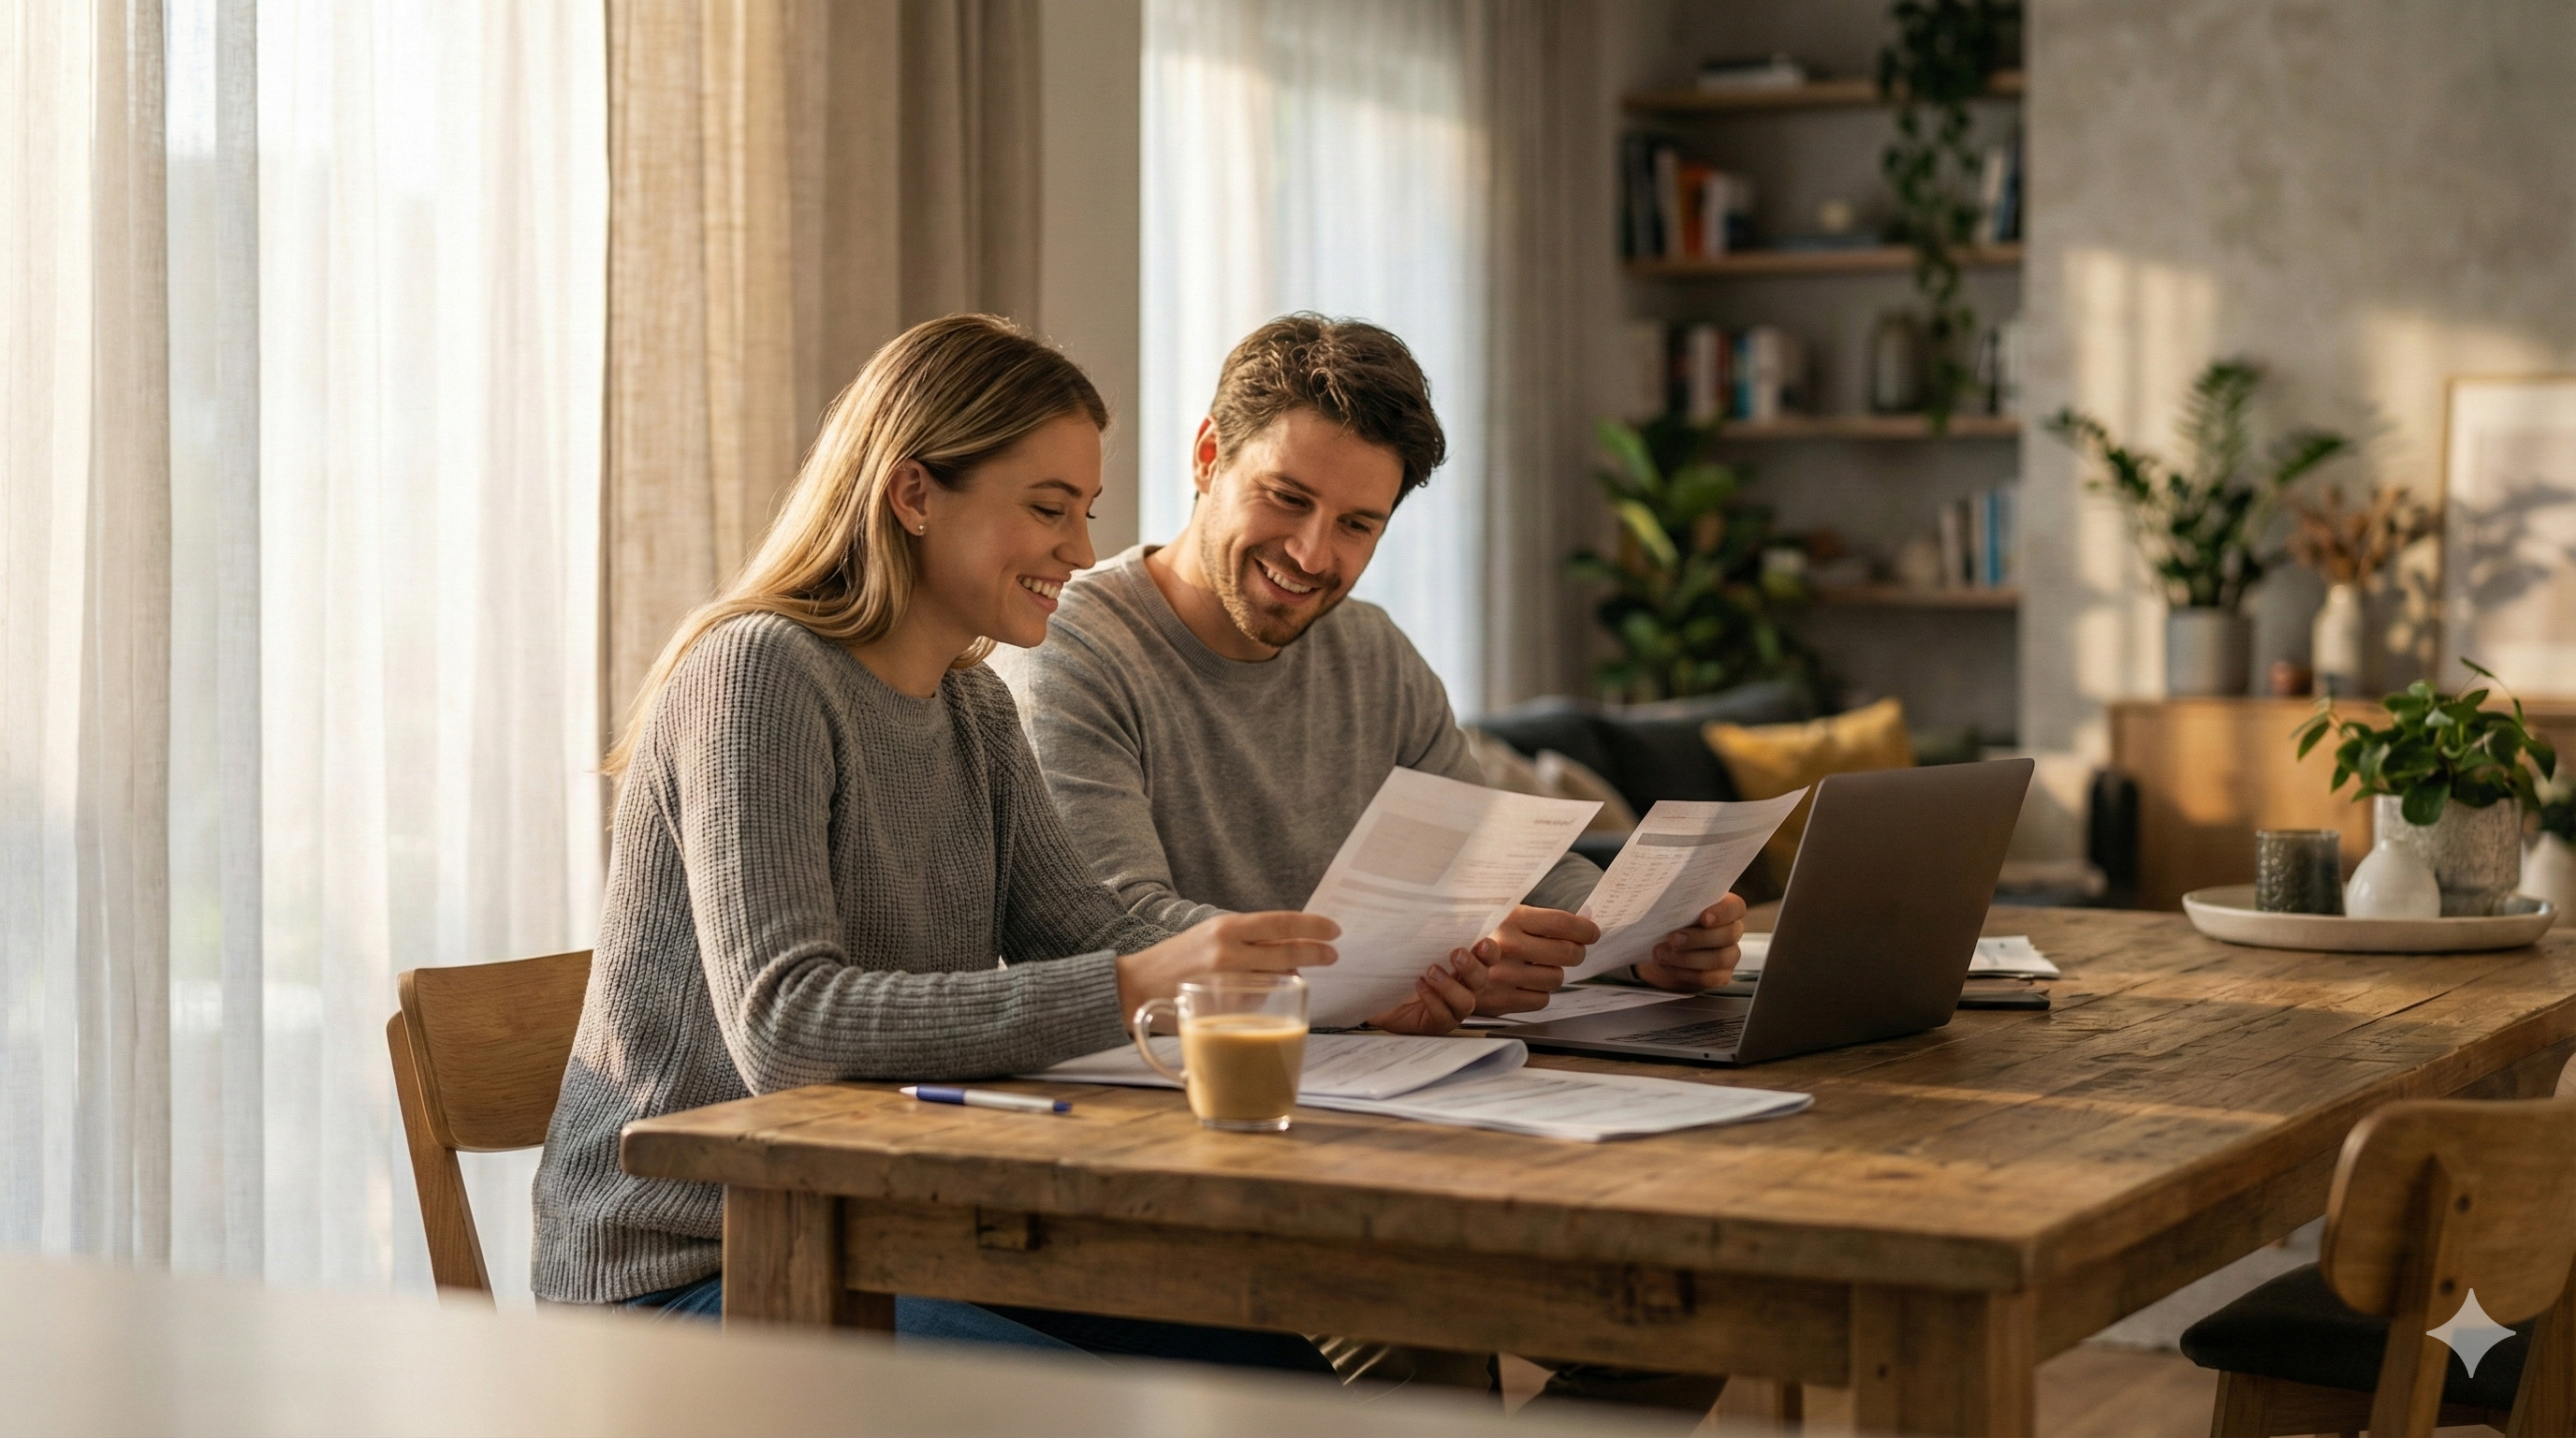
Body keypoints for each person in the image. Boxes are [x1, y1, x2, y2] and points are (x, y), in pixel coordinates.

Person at [531, 313, 1387, 1373]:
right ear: (914, 493)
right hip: (688, 1269)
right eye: (1047, 509)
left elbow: (1089, 928)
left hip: (882, 1231)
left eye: (1086, 513)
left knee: (1276, 1371)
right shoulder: (757, 674)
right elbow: (785, 1024)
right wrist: (1133, 982)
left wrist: (1344, 966)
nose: (1079, 551)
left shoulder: (970, 705)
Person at [990, 314, 1747, 1413]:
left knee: (1676, 1317)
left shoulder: (1373, 653)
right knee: (1423, 1372)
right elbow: (1117, 923)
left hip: (1392, 1116)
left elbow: (1520, 856)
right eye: (1286, 501)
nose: (1314, 557)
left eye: (1357, 524)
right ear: (1207, 457)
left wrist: (1648, 936)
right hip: (1190, 1133)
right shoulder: (1076, 647)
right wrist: (1394, 976)